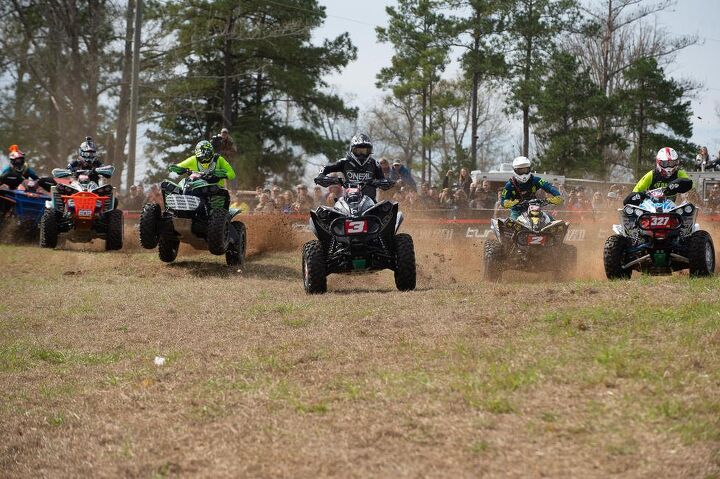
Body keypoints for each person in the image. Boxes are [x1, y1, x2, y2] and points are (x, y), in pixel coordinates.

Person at [170, 140, 236, 209]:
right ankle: (177, 205)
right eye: (201, 157)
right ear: (197, 155)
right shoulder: (193, 159)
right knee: (184, 184)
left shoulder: (219, 159)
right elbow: (178, 166)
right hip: (196, 189)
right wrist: (176, 168)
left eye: (207, 156)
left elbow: (232, 174)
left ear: (211, 153)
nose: (204, 160)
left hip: (215, 191)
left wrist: (221, 174)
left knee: (221, 194)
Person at [317, 133, 385, 200]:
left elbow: (383, 180)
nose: (361, 154)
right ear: (352, 149)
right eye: (358, 151)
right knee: (324, 210)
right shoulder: (344, 162)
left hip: (370, 203)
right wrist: (321, 175)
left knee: (387, 207)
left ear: (369, 151)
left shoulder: (374, 163)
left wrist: (386, 182)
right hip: (348, 201)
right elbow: (326, 167)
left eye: (364, 151)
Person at [624, 147, 692, 205]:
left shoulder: (679, 173)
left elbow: (688, 182)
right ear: (658, 163)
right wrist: (639, 195)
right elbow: (636, 190)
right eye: (665, 163)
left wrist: (678, 183)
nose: (669, 166)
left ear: (676, 163)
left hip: (671, 208)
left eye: (672, 163)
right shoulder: (652, 174)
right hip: (650, 208)